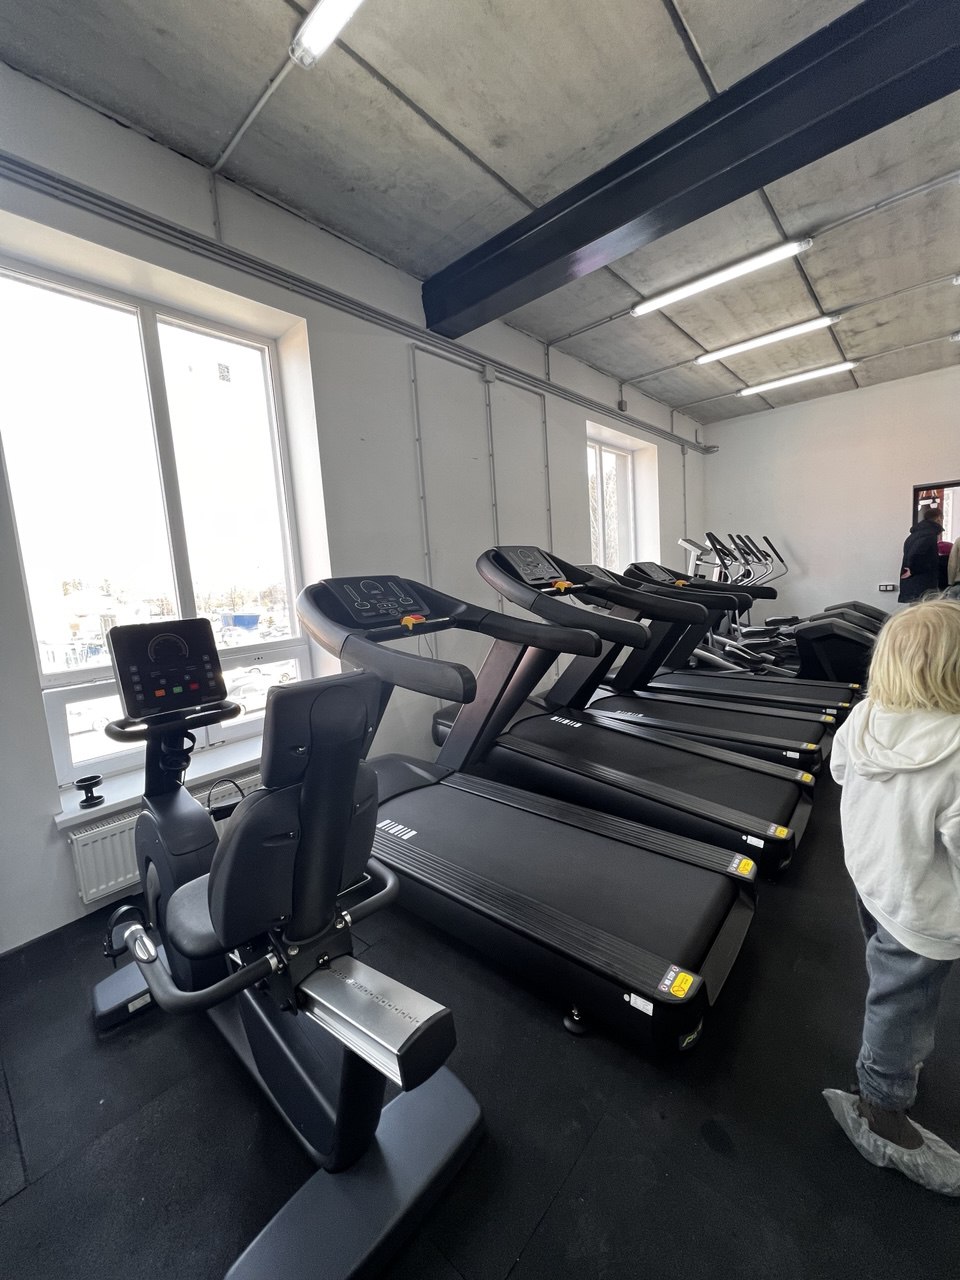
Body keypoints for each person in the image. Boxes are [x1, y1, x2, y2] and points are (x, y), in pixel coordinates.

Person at [824, 597, 960, 1194]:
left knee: (888, 977)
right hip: (923, 913)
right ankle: (881, 1106)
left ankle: (887, 1061)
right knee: (904, 1004)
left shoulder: (865, 714)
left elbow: (839, 772)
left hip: (871, 878)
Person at [898, 505, 944, 602]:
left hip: (913, 585)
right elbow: (917, 553)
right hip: (922, 585)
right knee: (925, 610)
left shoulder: (915, 534)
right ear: (939, 518)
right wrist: (913, 570)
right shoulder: (929, 534)